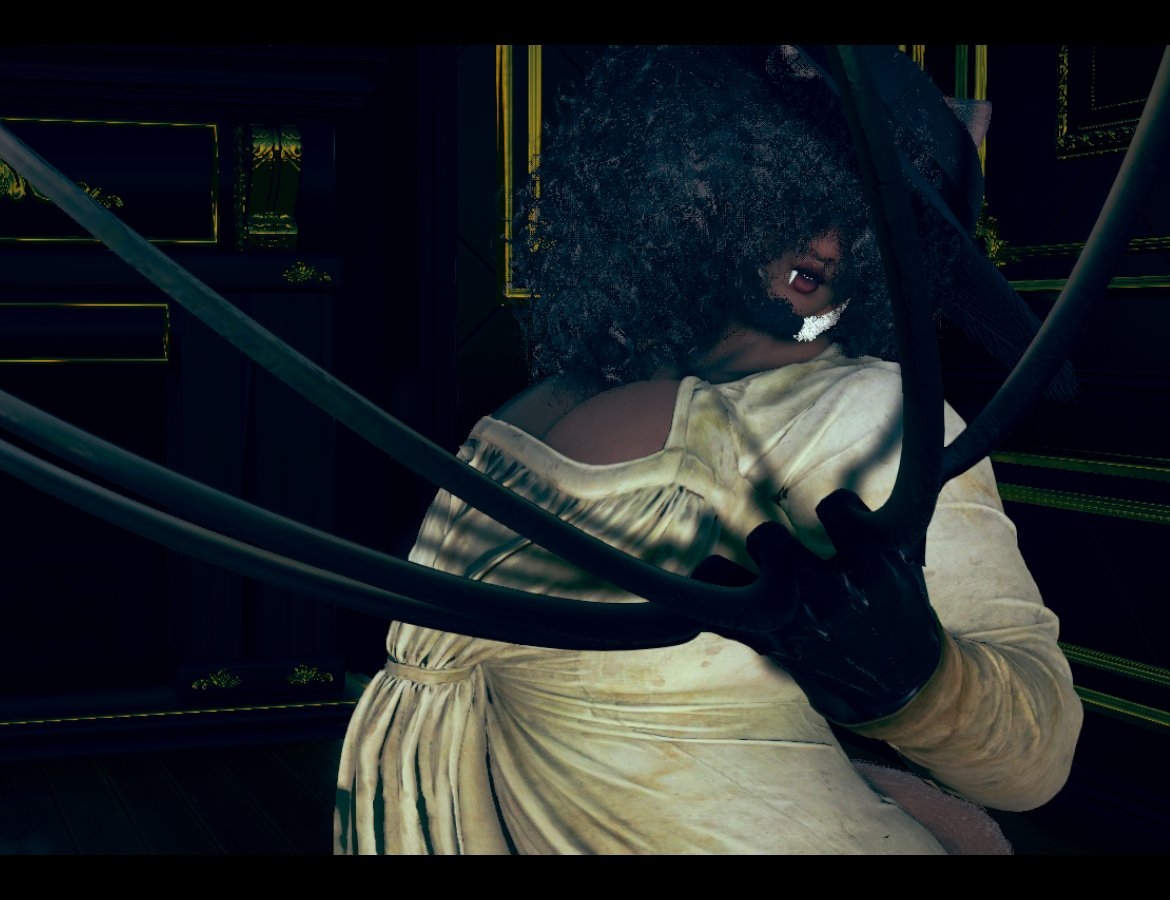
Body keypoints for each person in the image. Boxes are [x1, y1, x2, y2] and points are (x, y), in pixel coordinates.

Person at [333, 44, 1083, 854]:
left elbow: (1033, 759)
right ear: (716, 174)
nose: (832, 239)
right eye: (803, 187)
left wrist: (923, 681)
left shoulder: (875, 413)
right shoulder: (570, 395)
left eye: (872, 220)